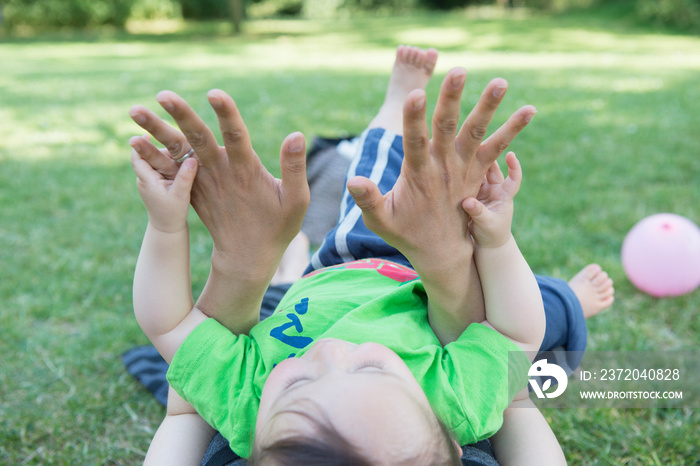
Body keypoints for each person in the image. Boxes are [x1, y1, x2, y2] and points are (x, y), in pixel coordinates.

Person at [128, 46, 613, 465]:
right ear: (453, 437)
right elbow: (513, 332)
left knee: (365, 181)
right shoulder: (454, 398)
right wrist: (497, 243)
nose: (332, 351)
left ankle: (393, 110)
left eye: (297, 386)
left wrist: (166, 226)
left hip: (341, 268)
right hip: (408, 271)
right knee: (547, 309)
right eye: (370, 369)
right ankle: (574, 297)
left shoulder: (242, 399)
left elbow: (168, 324)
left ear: (247, 442)